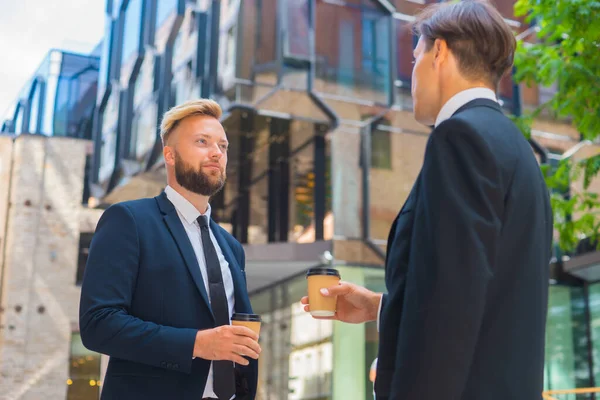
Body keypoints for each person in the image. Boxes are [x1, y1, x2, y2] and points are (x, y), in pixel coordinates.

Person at [301, 1, 553, 399]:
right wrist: (380, 308)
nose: (411, 76)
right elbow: (476, 292)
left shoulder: (458, 139)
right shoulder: (518, 149)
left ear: (439, 52)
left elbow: (450, 309)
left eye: (416, 56)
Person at [80, 99, 260, 399]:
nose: (216, 152)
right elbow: (98, 324)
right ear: (170, 155)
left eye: (223, 146)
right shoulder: (128, 220)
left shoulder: (231, 246)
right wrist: (197, 344)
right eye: (202, 142)